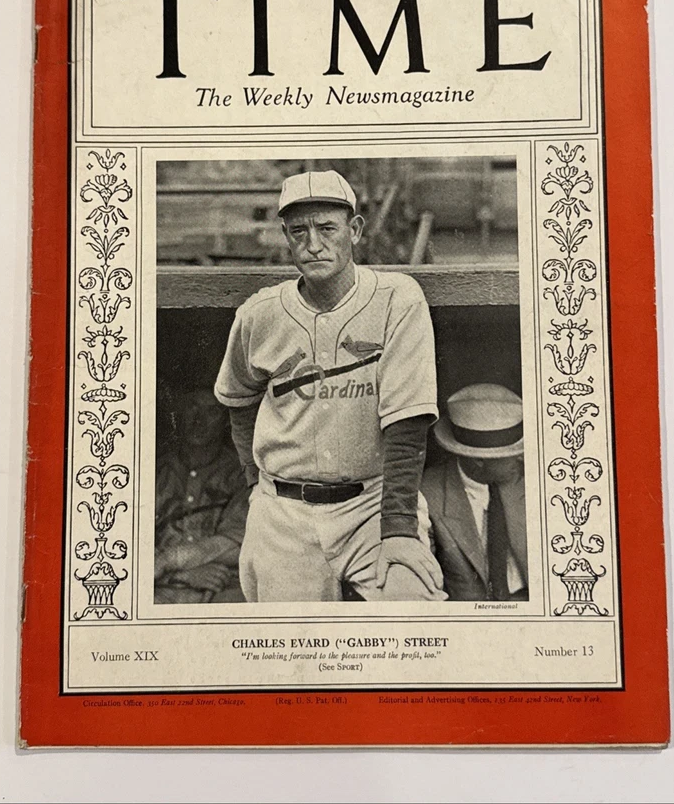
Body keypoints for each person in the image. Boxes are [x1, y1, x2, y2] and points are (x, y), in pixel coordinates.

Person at [215, 169, 446, 602]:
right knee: (288, 654)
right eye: (299, 231)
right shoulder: (259, 313)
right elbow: (238, 400)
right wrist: (254, 487)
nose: (313, 244)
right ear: (285, 235)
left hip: (373, 502)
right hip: (284, 510)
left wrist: (398, 530)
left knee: (414, 605)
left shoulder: (397, 298)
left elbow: (408, 422)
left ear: (354, 230)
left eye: (326, 228)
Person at [421, 384, 528, 602]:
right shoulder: (426, 495)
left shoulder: (530, 481)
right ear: (479, 459)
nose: (521, 458)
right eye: (511, 454)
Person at [154, 389, 248, 603]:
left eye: (212, 411)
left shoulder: (240, 476)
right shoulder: (155, 470)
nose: (199, 420)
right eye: (192, 407)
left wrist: (169, 560)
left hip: (219, 589)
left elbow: (236, 544)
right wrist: (182, 576)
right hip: (159, 592)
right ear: (178, 413)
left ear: (226, 420)